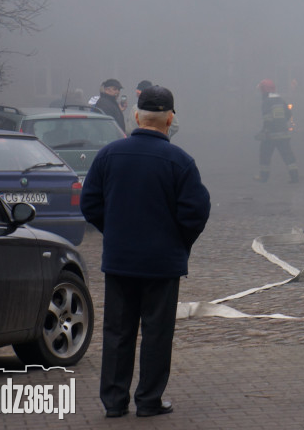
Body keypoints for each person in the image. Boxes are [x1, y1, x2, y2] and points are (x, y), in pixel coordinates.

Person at [80, 85, 211, 419]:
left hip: (120, 261)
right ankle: (149, 400)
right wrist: (178, 242)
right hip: (162, 264)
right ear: (170, 120)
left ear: (136, 116)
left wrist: (117, 233)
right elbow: (196, 211)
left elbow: (90, 204)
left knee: (117, 332)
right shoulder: (180, 162)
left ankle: (113, 402)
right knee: (156, 333)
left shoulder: (109, 155)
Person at [255, 79, 298, 183]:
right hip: (283, 134)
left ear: (264, 91)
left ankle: (263, 177)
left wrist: (264, 131)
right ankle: (294, 177)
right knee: (288, 156)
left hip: (271, 135)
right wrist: (281, 123)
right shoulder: (280, 100)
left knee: (264, 155)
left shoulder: (266, 102)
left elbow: (267, 119)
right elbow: (288, 114)